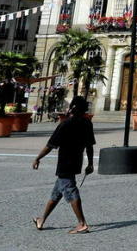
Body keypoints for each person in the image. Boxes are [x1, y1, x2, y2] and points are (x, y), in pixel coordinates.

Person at [31, 96, 95, 234]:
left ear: (72, 108)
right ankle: (42, 219)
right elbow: (89, 146)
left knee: (71, 190)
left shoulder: (65, 124)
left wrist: (37, 158)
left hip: (65, 163)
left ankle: (82, 223)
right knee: (57, 193)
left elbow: (50, 145)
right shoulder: (87, 123)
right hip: (77, 161)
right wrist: (90, 163)